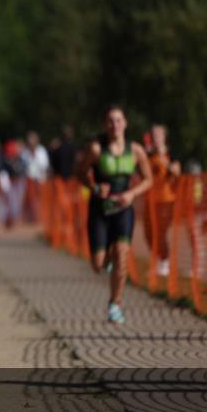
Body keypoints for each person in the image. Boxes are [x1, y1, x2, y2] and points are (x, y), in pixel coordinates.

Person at [76, 105, 153, 324]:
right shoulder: (96, 149)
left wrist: (131, 194)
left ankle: (115, 304)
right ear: (105, 125)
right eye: (110, 121)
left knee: (122, 255)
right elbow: (80, 173)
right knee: (98, 265)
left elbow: (149, 180)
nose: (115, 125)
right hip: (100, 210)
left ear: (125, 123)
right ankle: (106, 255)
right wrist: (94, 187)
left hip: (123, 210)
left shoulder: (135, 150)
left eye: (118, 120)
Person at [143, 124, 181, 277]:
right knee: (148, 233)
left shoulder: (171, 154)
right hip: (149, 199)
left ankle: (165, 262)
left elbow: (177, 171)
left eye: (158, 135)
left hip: (166, 200)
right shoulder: (147, 155)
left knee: (161, 232)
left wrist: (162, 159)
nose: (155, 138)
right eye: (153, 135)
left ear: (164, 137)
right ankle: (158, 261)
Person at [20, 131, 50, 223]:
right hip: (29, 179)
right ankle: (30, 218)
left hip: (40, 179)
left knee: (40, 198)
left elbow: (44, 164)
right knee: (29, 199)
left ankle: (41, 217)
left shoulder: (41, 151)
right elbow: (23, 165)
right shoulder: (25, 152)